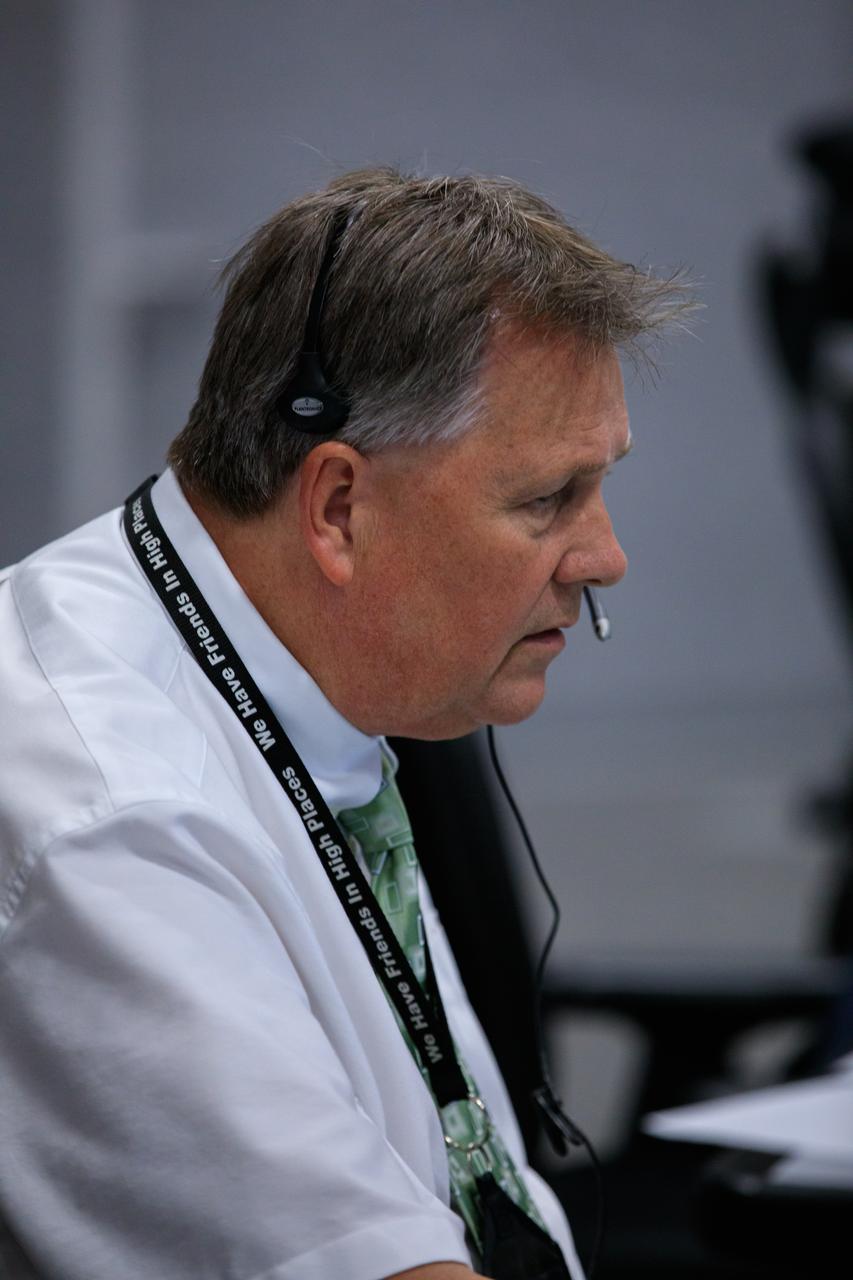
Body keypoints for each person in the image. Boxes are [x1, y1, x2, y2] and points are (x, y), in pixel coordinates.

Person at [0, 168, 685, 1279]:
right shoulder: (114, 818)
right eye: (548, 498)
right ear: (335, 508)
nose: (606, 557)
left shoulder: (294, 675)